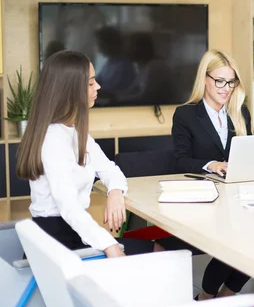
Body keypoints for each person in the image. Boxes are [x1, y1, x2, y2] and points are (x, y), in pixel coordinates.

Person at [16, 50, 156, 257]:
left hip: (74, 235)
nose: (98, 86)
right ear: (69, 90)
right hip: (57, 248)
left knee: (154, 247)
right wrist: (109, 245)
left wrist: (115, 192)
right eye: (90, 83)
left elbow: (111, 170)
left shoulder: (75, 133)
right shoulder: (53, 139)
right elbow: (69, 207)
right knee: (157, 250)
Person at [165, 50, 251, 299]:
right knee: (232, 242)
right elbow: (181, 160)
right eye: (220, 81)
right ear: (205, 78)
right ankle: (206, 295)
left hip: (236, 197)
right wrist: (212, 164)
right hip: (206, 201)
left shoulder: (239, 112)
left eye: (231, 82)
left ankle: (225, 295)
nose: (226, 88)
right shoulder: (186, 114)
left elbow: (249, 152)